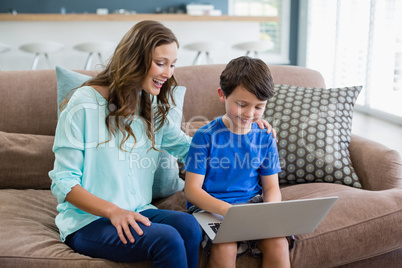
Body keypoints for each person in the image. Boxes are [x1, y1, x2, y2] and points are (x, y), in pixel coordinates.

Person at [49, 20, 202, 268]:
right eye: (160, 63)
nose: (168, 73)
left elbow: (190, 148)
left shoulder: (149, 106)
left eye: (172, 65)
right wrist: (113, 211)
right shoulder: (83, 103)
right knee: (168, 239)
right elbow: (64, 182)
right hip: (89, 222)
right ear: (135, 59)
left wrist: (244, 130)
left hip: (137, 210)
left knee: (189, 226)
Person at [184, 56, 292, 268]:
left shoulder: (265, 136)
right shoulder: (205, 136)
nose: (250, 114)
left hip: (252, 206)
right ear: (222, 95)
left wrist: (270, 213)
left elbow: (272, 188)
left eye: (259, 107)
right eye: (242, 105)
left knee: (278, 243)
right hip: (211, 207)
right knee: (225, 246)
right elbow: (192, 191)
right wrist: (228, 211)